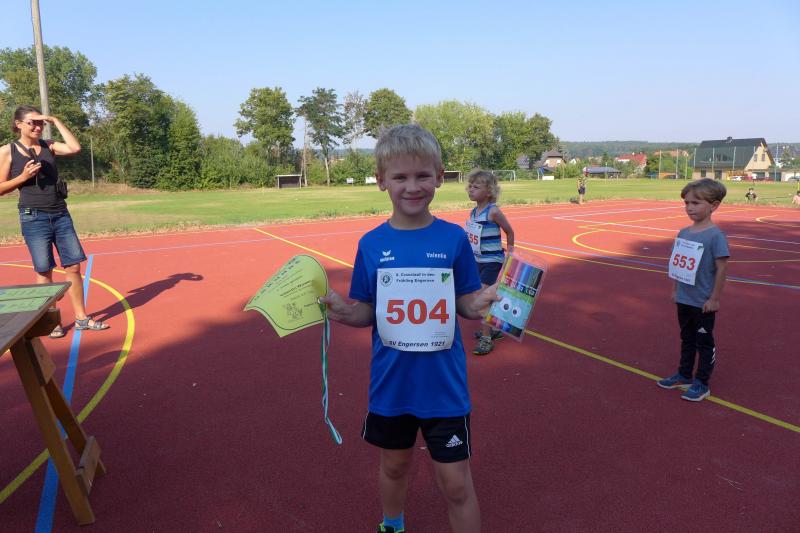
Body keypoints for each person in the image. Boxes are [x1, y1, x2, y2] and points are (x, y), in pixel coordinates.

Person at [320, 124, 496, 533]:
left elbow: (464, 302)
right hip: (392, 385)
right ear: (381, 180)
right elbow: (367, 311)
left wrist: (478, 303)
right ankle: (393, 525)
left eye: (422, 176)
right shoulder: (370, 244)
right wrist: (343, 312)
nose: (412, 187)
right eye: (400, 177)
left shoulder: (453, 239)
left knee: (456, 483)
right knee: (394, 465)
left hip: (444, 387)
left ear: (439, 176)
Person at [0, 105, 109, 337]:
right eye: (32, 122)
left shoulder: (48, 146)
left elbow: (75, 147)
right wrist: (23, 177)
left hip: (60, 214)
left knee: (73, 266)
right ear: (18, 124)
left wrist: (55, 119)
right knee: (44, 270)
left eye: (41, 122)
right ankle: (51, 322)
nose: (38, 127)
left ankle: (82, 318)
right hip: (33, 216)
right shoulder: (8, 151)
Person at [658, 178, 729, 402]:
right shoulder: (683, 233)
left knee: (704, 343)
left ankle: (702, 383)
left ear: (714, 205)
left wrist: (714, 298)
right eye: (687, 203)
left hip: (703, 302)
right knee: (686, 339)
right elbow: (678, 266)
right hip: (684, 298)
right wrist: (675, 289)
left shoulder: (715, 236)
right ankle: (684, 374)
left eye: (696, 203)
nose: (689, 207)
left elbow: (721, 268)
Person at [465, 169, 515, 356]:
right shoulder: (473, 212)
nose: (471, 189)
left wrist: (510, 253)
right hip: (478, 261)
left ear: (488, 192)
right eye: (470, 186)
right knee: (483, 296)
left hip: (492, 262)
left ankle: (486, 339)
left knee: (482, 297)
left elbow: (509, 231)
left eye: (476, 187)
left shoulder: (493, 211)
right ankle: (492, 330)